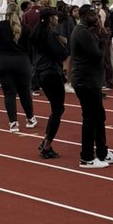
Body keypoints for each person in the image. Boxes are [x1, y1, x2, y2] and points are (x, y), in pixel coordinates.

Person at [70, 5, 113, 170]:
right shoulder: (82, 33)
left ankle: (102, 151)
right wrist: (103, 40)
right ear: (85, 16)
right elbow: (97, 56)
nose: (97, 17)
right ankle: (86, 157)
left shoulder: (86, 31)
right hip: (85, 81)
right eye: (93, 14)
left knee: (99, 117)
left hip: (91, 80)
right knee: (90, 118)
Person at [0, 1, 36, 134]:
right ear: (20, 13)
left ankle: (13, 123)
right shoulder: (25, 28)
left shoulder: (0, 26)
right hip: (22, 62)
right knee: (24, 92)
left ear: (6, 13)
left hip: (3, 62)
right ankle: (30, 118)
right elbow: (31, 49)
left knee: (9, 93)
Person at [31, 9, 68, 159]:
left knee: (57, 108)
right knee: (58, 109)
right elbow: (62, 54)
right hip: (52, 72)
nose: (57, 19)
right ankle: (46, 146)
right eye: (55, 17)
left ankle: (46, 140)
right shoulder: (51, 34)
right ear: (50, 19)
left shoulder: (35, 33)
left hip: (40, 72)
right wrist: (63, 43)